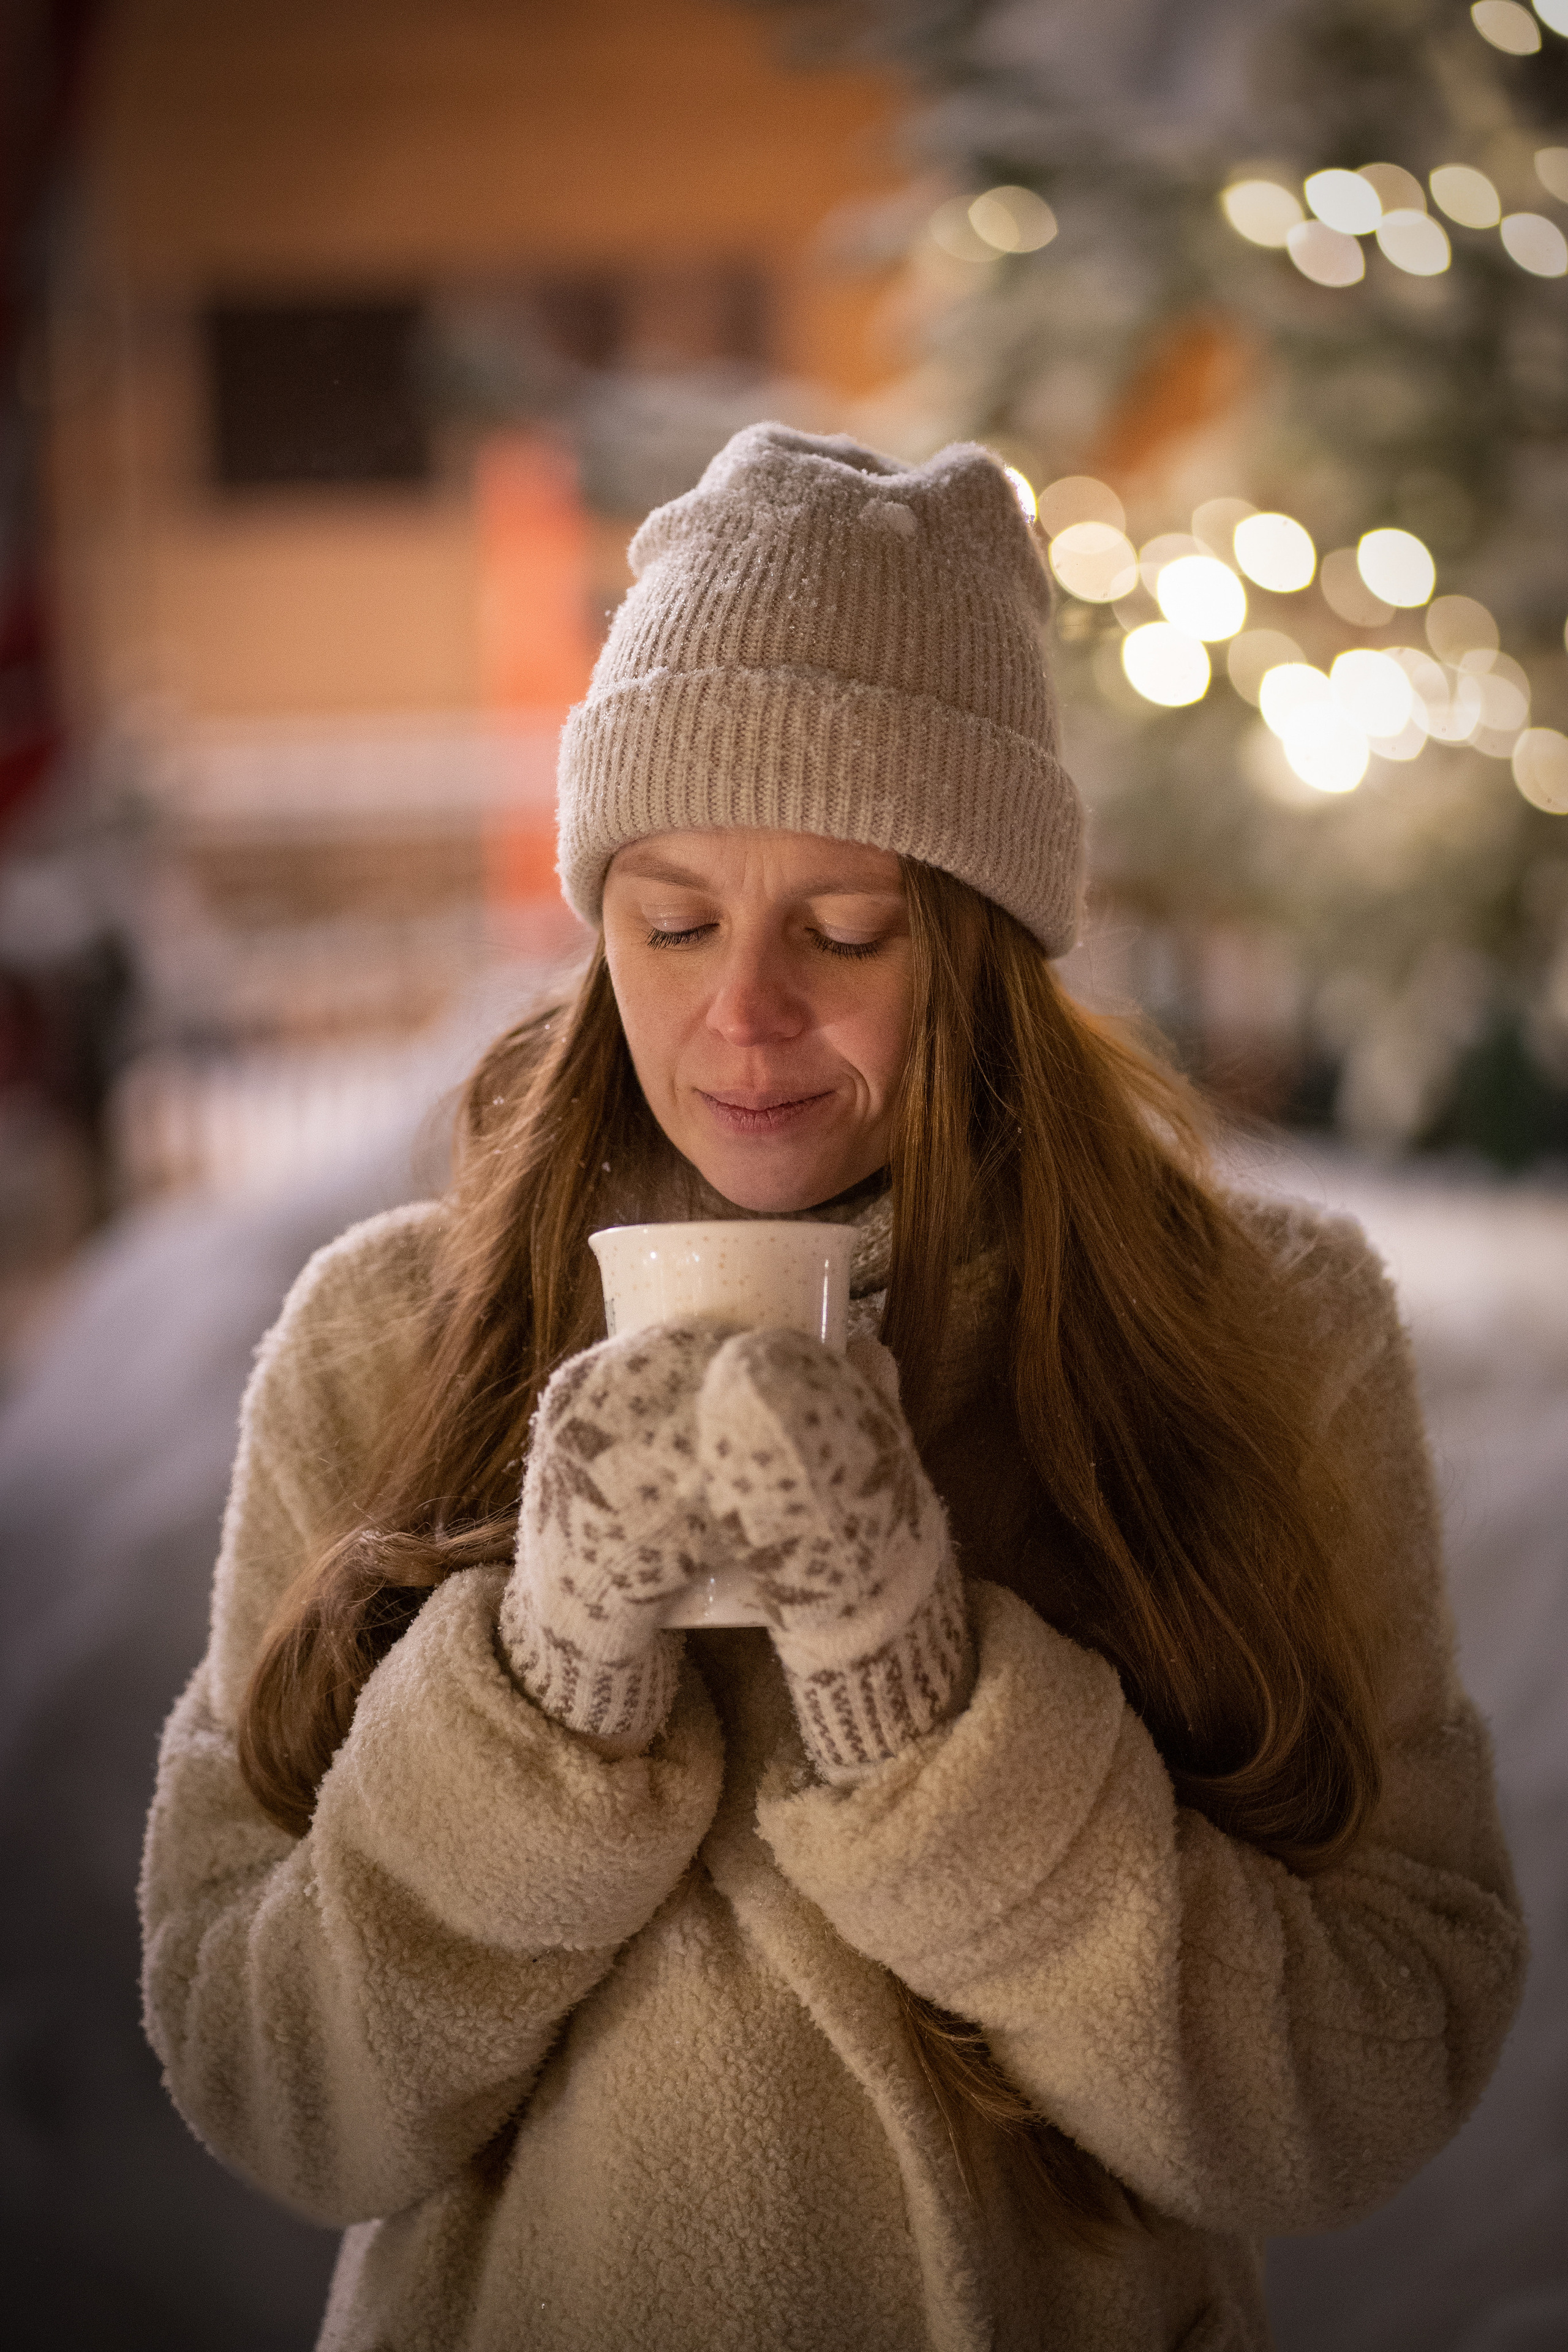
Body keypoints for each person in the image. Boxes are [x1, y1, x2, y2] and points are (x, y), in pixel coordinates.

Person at [140, 427, 1526, 2352]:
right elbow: (268, 2087)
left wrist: (925, 1711)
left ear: (981, 943)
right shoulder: (389, 1341)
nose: (745, 1015)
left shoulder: (1267, 1336)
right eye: (675, 921)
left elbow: (1367, 2077)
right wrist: (540, 1701)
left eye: (847, 930)